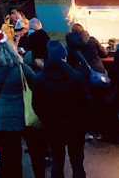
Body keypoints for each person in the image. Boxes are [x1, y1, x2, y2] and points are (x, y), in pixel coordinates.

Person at [32, 40, 91, 178]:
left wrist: (46, 121)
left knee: (57, 162)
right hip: (75, 126)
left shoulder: (40, 79)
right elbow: (86, 102)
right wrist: (84, 124)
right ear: (64, 55)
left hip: (53, 127)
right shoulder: (75, 76)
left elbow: (37, 105)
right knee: (77, 162)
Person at [0, 40, 45, 178]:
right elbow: (37, 85)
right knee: (36, 151)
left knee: (10, 157)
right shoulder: (21, 68)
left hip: (3, 120)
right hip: (24, 116)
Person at [66, 22, 109, 140]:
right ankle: (100, 132)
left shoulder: (70, 44)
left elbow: (70, 62)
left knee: (85, 104)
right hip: (98, 75)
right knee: (100, 102)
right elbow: (104, 53)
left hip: (82, 77)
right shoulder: (92, 40)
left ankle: (89, 131)